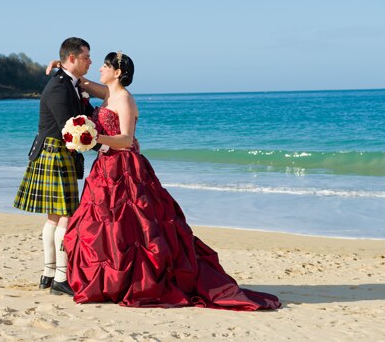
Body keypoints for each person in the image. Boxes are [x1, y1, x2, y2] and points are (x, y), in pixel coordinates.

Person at [60, 51, 282, 310]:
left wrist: (94, 138)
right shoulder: (108, 94)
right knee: (102, 225)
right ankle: (109, 280)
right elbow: (80, 81)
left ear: (117, 72)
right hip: (104, 169)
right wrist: (60, 67)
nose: (99, 69)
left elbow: (126, 140)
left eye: (105, 66)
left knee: (135, 227)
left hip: (126, 169)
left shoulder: (125, 99)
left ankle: (132, 280)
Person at [14, 37, 96, 296]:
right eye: (86, 57)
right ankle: (61, 278)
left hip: (52, 153)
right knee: (66, 216)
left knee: (54, 216)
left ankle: (48, 274)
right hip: (56, 153)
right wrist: (101, 146)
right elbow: (70, 128)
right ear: (71, 58)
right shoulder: (60, 87)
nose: (90, 62)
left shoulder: (66, 82)